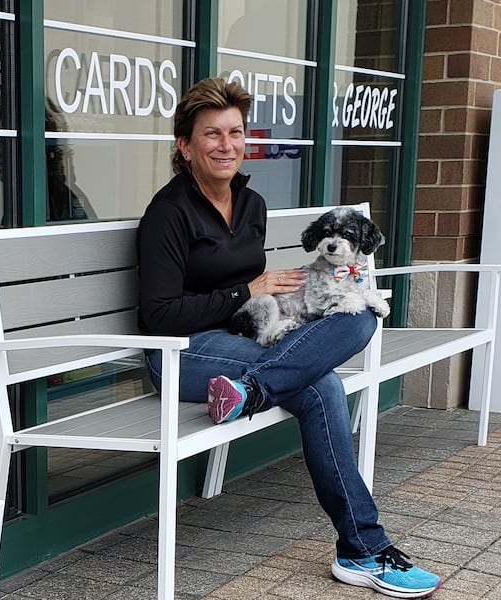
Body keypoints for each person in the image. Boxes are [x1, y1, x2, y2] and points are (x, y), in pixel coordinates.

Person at [136, 77, 441, 599]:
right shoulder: (168, 214)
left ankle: (253, 391)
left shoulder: (251, 203)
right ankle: (362, 549)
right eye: (211, 134)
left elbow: (257, 296)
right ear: (185, 146)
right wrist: (245, 290)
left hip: (244, 339)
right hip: (180, 351)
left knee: (361, 318)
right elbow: (160, 316)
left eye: (235, 132)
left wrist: (289, 292)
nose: (226, 145)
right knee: (321, 387)